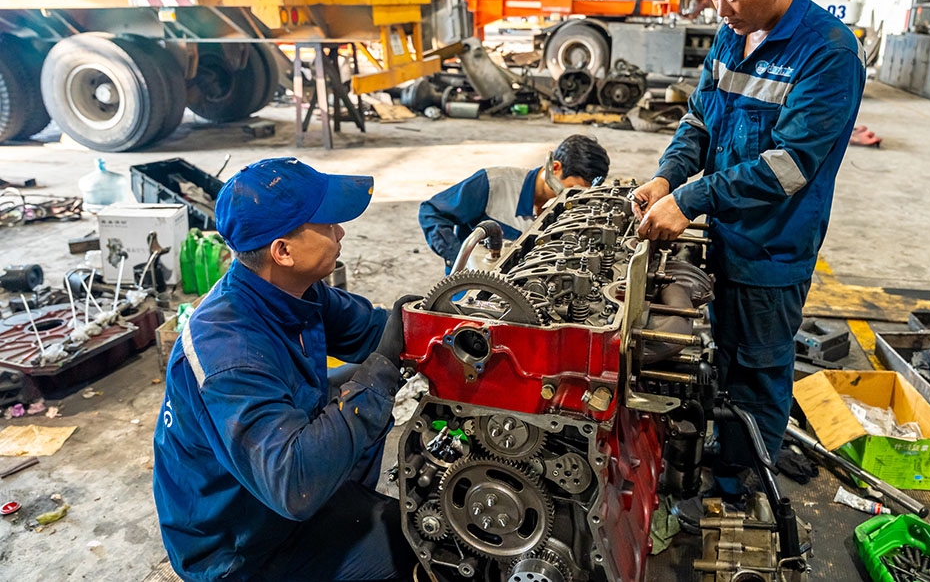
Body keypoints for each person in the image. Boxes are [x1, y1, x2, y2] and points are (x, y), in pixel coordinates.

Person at [633, 0, 866, 502]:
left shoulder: (829, 52)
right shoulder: (731, 35)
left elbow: (789, 167)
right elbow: (698, 120)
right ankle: (726, 447)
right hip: (721, 235)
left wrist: (691, 198)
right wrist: (666, 178)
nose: (721, 9)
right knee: (719, 359)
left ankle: (738, 490)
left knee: (757, 372)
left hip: (771, 251)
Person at [153, 157, 416, 582]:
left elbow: (374, 330)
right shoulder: (229, 354)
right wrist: (378, 377)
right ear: (283, 251)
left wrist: (435, 323)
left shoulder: (293, 290)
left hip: (274, 500)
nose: (340, 232)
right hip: (240, 547)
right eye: (328, 225)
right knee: (418, 548)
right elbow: (295, 486)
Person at [419, 134, 611, 270]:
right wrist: (458, 260)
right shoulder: (493, 183)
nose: (573, 198)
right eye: (572, 190)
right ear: (555, 168)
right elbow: (431, 212)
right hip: (471, 293)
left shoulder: (568, 207)